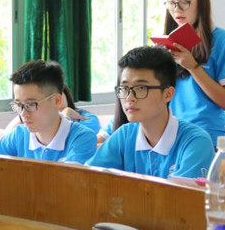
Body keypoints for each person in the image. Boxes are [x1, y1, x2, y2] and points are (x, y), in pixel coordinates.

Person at [86, 46, 214, 179]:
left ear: (168, 94)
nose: (129, 98)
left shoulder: (196, 143)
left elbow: (179, 193)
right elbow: (87, 179)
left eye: (141, 88)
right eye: (124, 88)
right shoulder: (124, 135)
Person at [160, 0, 225, 145]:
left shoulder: (222, 40)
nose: (177, 9)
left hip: (206, 134)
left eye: (185, 2)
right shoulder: (168, 42)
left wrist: (193, 67)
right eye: (171, 3)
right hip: (170, 134)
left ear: (202, 2)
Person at [0, 60, 97, 164]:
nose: (23, 114)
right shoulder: (19, 135)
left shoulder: (82, 138)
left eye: (31, 104)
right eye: (19, 105)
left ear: (56, 101)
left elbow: (68, 176)